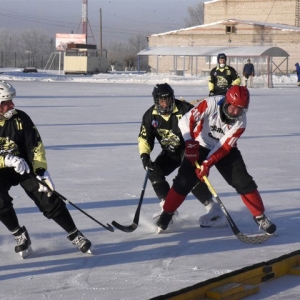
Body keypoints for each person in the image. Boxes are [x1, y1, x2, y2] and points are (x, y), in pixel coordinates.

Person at [155, 86, 277, 235]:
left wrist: (207, 163)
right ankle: (167, 213)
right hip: (200, 144)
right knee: (184, 180)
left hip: (224, 150)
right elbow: (186, 121)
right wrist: (189, 142)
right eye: (233, 107)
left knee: (242, 180)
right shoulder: (211, 103)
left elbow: (224, 146)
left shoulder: (241, 122)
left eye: (241, 109)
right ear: (227, 102)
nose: (236, 112)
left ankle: (260, 216)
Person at [0, 80, 91, 258]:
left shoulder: (21, 119)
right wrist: (6, 159)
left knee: (47, 196)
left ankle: (75, 234)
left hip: (24, 167)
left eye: (12, 101)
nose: (12, 105)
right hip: (2, 170)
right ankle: (20, 235)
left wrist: (41, 171)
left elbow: (36, 146)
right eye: (6, 102)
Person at [138, 83, 227, 228]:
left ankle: (213, 208)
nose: (165, 103)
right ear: (156, 100)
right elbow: (144, 138)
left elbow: (203, 128)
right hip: (170, 152)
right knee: (154, 171)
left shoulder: (185, 109)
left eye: (167, 99)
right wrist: (145, 155)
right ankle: (167, 209)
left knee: (188, 176)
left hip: (189, 149)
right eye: (161, 100)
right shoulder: (150, 116)